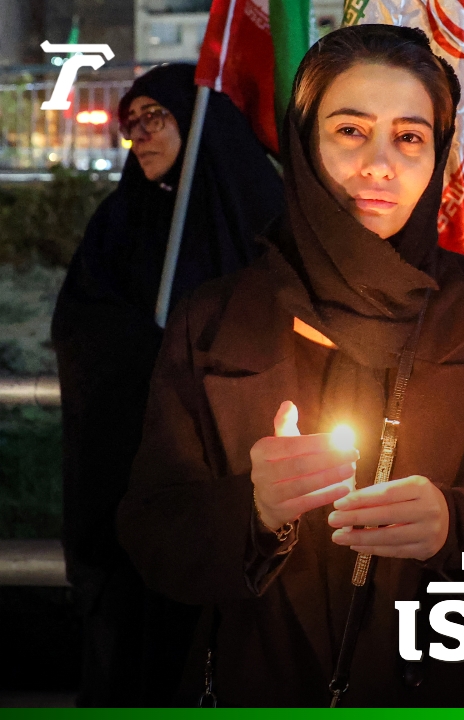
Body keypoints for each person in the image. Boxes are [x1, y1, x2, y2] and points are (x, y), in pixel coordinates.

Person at [116, 25, 464, 706]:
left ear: (438, 153)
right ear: (303, 142)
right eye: (350, 131)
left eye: (410, 137)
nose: (380, 165)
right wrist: (253, 510)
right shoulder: (216, 319)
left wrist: (457, 525)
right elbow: (150, 531)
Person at [51, 63, 284, 706]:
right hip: (133, 478)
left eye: (156, 116)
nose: (141, 135)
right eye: (132, 122)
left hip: (233, 487)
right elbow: (81, 326)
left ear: (198, 121)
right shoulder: (119, 222)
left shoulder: (258, 215)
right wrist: (149, 351)